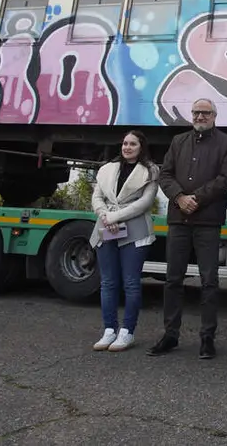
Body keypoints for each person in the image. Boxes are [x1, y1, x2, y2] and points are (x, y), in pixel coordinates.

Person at [147, 98, 227, 360]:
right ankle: (170, 334)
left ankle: (207, 337)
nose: (200, 116)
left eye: (205, 113)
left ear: (214, 116)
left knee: (209, 281)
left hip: (207, 221)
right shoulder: (178, 141)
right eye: (196, 112)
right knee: (173, 280)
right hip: (179, 220)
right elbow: (165, 174)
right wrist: (179, 197)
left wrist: (196, 198)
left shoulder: (226, 143)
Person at [90, 130, 160, 352]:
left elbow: (145, 202)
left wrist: (115, 217)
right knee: (108, 282)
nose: (127, 147)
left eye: (133, 144)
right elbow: (97, 197)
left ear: (141, 147)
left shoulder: (151, 170)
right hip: (106, 227)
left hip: (135, 230)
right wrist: (105, 216)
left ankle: (127, 331)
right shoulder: (107, 169)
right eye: (125, 143)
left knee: (131, 282)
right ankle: (109, 329)